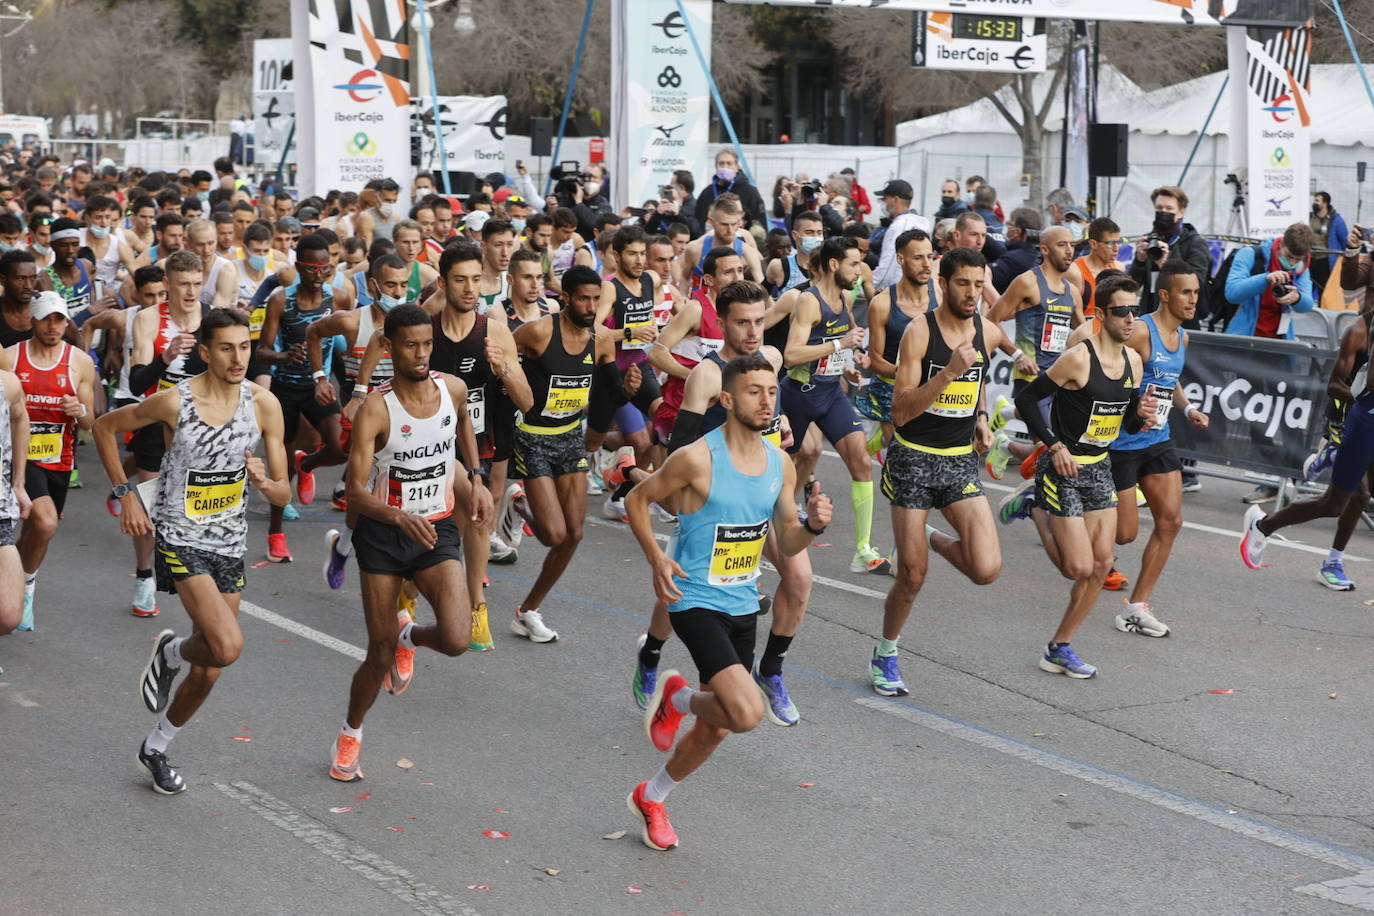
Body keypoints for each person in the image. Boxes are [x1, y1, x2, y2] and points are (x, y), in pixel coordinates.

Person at [625, 351, 832, 851]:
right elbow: (638, 499)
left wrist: (812, 525)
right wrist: (656, 556)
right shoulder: (697, 457)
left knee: (716, 727)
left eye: (771, 391)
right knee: (745, 712)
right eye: (753, 391)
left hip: (742, 602)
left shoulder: (780, 464)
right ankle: (674, 699)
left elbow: (787, 541)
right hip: (694, 600)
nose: (766, 400)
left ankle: (651, 796)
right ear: (727, 398)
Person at [95, 308, 289, 794]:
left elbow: (285, 493)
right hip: (181, 537)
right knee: (227, 645)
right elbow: (102, 428)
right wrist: (125, 498)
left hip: (230, 543)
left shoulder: (264, 404)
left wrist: (267, 483)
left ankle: (156, 745)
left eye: (245, 346)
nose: (237, 357)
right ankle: (173, 648)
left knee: (209, 668)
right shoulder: (174, 402)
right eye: (226, 347)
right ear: (205, 351)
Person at [634, 281, 812, 726]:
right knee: (682, 587)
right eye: (742, 322)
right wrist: (681, 498)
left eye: (759, 321)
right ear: (723, 322)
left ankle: (770, 671)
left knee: (801, 578)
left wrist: (782, 427)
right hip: (712, 492)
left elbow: (769, 408)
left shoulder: (770, 358)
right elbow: (681, 442)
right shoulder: (708, 375)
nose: (753, 331)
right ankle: (652, 651)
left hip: (761, 485)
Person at [328, 304, 488, 783]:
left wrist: (476, 477)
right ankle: (350, 730)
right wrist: (398, 516)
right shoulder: (376, 409)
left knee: (458, 639)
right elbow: (354, 490)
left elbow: (463, 424)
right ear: (390, 347)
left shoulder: (452, 388)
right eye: (410, 345)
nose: (421, 354)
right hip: (384, 534)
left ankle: (409, 635)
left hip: (437, 529)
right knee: (376, 654)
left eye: (427, 344)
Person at [870, 247, 1007, 696]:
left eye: (979, 283)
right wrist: (948, 372)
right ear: (943, 285)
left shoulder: (987, 330)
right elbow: (902, 411)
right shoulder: (919, 332)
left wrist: (982, 418)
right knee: (911, 575)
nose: (973, 292)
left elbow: (979, 380)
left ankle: (926, 535)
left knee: (986, 569)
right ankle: (886, 652)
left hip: (958, 461)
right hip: (912, 457)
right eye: (963, 283)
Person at [1013, 275, 1157, 679]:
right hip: (1063, 467)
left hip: (1100, 468)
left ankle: (1060, 646)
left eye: (1135, 310)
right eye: (1121, 311)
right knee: (1077, 567)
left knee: (1101, 565)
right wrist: (1054, 446)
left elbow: (1123, 421)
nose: (1130, 318)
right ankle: (1036, 510)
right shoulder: (1079, 357)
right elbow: (1028, 398)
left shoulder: (1133, 362)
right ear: (1099, 315)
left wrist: (1140, 418)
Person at [508, 265, 639, 641]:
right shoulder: (537, 332)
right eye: (584, 298)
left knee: (575, 534)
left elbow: (612, 392)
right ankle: (519, 505)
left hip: (569, 438)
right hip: (532, 437)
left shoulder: (600, 339)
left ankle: (527, 610)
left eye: (597, 299)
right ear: (564, 297)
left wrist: (627, 389)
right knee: (552, 534)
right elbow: (501, 358)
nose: (591, 306)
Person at [1108, 262, 1210, 637]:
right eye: (1186, 292)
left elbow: (1170, 378)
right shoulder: (1139, 333)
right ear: (1165, 294)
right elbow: (1106, 371)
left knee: (1171, 521)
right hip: (1120, 444)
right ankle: (1045, 504)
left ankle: (1136, 607)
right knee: (1124, 535)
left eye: (1196, 292)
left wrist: (1187, 408)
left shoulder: (1182, 337)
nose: (1193, 300)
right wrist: (1132, 404)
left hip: (1157, 440)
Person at [781, 236, 889, 575]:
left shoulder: (845, 297)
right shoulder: (808, 302)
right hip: (798, 395)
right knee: (788, 461)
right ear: (832, 265)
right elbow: (791, 355)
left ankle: (862, 550)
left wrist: (851, 362)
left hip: (830, 394)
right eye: (854, 263)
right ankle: (775, 519)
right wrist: (838, 345)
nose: (860, 270)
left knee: (860, 460)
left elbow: (847, 342)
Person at [256, 233, 354, 561]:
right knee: (280, 470)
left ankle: (308, 462)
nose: (318, 274)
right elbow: (263, 350)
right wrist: (284, 357)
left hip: (319, 387)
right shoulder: (281, 300)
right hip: (285, 390)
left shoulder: (339, 298)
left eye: (325, 267)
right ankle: (276, 534)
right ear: (299, 267)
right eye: (311, 268)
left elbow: (347, 344)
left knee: (340, 449)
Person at [4, 291, 96, 630]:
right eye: (46, 318)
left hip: (59, 460)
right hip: (19, 460)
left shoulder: (78, 362)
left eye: (59, 319)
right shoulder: (12, 358)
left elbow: (89, 423)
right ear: (33, 320)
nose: (53, 326)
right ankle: (25, 588)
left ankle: (14, 578)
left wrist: (80, 410)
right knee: (45, 522)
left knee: (36, 530)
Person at [1225, 222, 1316, 505]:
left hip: (1281, 349)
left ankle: (1295, 475)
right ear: (1281, 244)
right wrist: (1266, 279)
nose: (1294, 262)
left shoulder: (1302, 263)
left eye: (1299, 259)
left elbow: (1308, 301)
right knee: (1257, 416)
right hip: (1249, 347)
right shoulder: (1253, 255)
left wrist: (1297, 296)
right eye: (1290, 256)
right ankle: (1267, 481)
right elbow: (1232, 291)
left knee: (1290, 414)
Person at [858, 228, 940, 449]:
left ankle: (878, 443)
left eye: (929, 257)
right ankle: (885, 443)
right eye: (918, 258)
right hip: (892, 390)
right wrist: (906, 372)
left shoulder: (941, 294)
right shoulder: (882, 304)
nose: (926, 264)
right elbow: (875, 360)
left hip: (931, 388)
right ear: (901, 259)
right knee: (901, 453)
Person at [1128, 186, 1212, 316]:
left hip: (1181, 320)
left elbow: (1197, 284)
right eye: (1159, 208)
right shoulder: (1149, 240)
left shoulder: (1195, 243)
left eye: (1169, 209)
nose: (1163, 212)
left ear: (1181, 212)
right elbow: (1132, 286)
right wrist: (1139, 260)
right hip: (1150, 315)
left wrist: (1167, 264)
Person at [679, 194, 761, 293]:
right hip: (701, 305)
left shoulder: (747, 251)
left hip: (731, 305)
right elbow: (684, 277)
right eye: (724, 224)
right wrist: (682, 299)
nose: (730, 230)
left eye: (734, 224)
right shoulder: (695, 248)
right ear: (711, 222)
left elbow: (761, 284)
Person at [0, 352, 28, 636]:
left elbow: (21, 417)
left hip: (0, 511)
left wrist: (18, 483)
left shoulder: (7, 384)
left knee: (9, 616)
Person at [872, 180, 932, 292]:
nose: (883, 203)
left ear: (895, 199)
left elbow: (887, 269)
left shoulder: (900, 225)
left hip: (898, 292)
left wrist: (865, 288)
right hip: (916, 290)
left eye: (885, 199)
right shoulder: (921, 222)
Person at [695, 148, 767, 230]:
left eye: (729, 163)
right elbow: (699, 221)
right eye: (721, 163)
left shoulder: (750, 192)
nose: (725, 167)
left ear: (737, 167)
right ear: (716, 166)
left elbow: (759, 223)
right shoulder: (707, 193)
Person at [1068, 217, 1123, 318]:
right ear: (1093, 244)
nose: (1116, 248)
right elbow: (1074, 313)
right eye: (1110, 243)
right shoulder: (1075, 271)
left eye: (1118, 242)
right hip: (1085, 329)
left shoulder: (1119, 268)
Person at [764, 210, 821, 301]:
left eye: (819, 233)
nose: (815, 237)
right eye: (809, 232)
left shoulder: (830, 267)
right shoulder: (779, 266)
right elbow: (762, 296)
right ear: (795, 235)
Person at [990, 208, 1044, 292]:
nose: (1006, 227)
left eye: (1009, 224)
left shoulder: (1012, 259)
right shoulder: (1042, 254)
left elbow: (986, 275)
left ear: (1017, 232)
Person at [1309, 191, 1349, 295]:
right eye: (1314, 200)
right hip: (1310, 259)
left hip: (1326, 260)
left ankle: (1324, 310)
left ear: (1325, 203)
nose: (1314, 203)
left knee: (1324, 290)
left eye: (1317, 201)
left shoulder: (1336, 220)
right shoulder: (1310, 218)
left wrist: (1346, 260)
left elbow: (1345, 241)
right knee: (1308, 288)